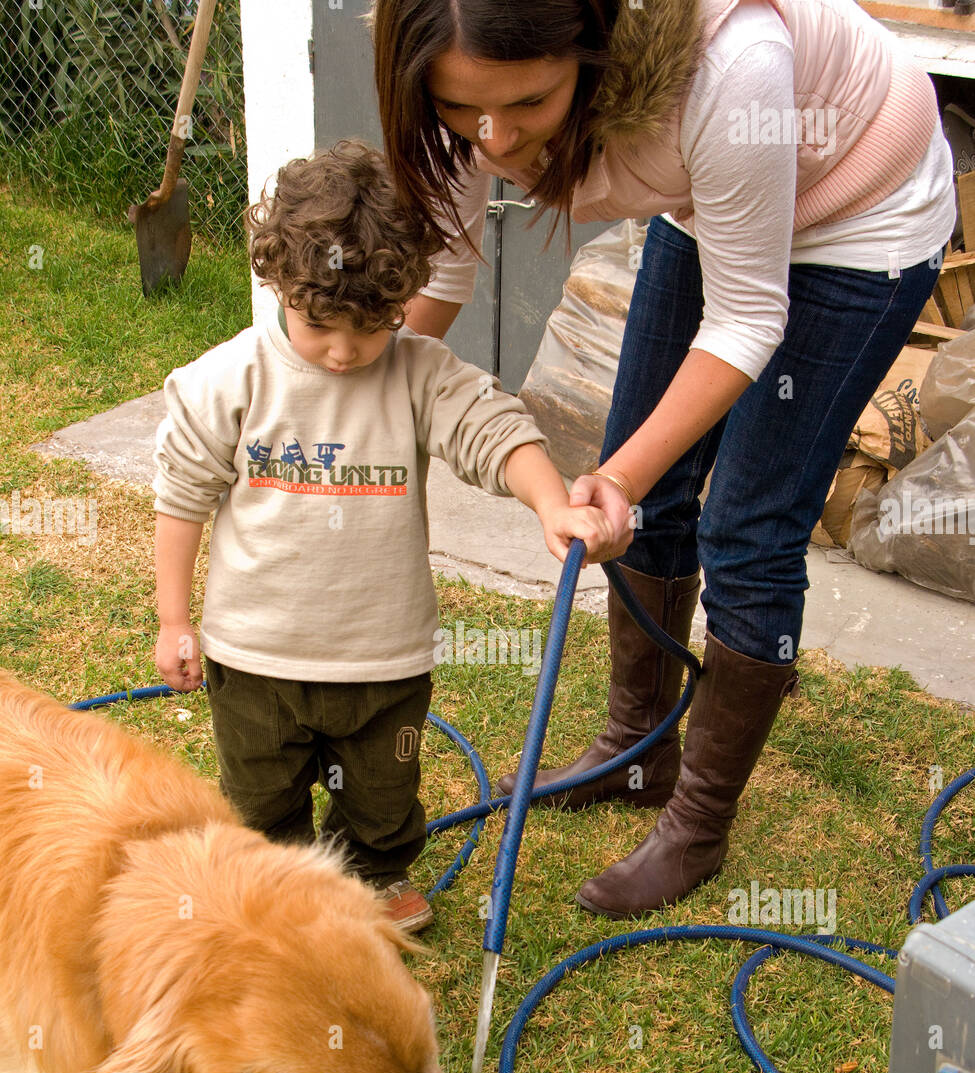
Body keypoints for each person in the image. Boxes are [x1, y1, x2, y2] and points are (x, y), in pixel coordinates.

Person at [371, 0, 956, 918]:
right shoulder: (451, 80)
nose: (494, 139)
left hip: (857, 210)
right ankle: (636, 746)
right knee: (648, 480)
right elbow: (447, 263)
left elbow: (746, 318)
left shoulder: (730, 67)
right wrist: (366, 393)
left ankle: (696, 823)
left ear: (592, 50)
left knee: (748, 528)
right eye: (460, 112)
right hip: (712, 197)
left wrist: (619, 480)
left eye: (526, 103)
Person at [152, 140, 626, 933]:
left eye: (370, 330)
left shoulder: (418, 374)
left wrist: (550, 503)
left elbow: (493, 429)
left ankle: (369, 878)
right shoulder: (225, 383)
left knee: (381, 799)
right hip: (255, 656)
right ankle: (277, 886)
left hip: (383, 661)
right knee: (262, 798)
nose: (343, 352)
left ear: (403, 303)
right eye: (321, 326)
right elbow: (181, 498)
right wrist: (174, 619)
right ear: (277, 283)